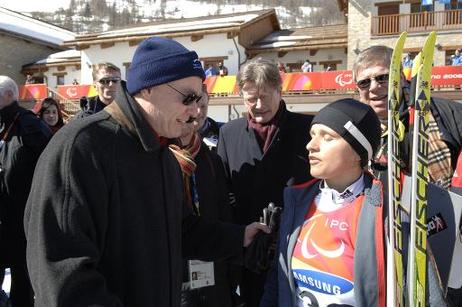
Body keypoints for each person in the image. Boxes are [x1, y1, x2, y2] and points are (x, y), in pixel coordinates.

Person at [24, 37, 268, 307]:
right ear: (148, 88)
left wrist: (239, 236)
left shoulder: (162, 150)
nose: (196, 110)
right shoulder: (82, 148)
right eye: (188, 97)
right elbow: (62, 275)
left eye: (200, 98)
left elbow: (181, 229)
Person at [353, 45, 462, 305]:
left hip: (447, 238)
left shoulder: (441, 113)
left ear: (401, 76)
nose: (374, 87)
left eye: (382, 77)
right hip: (388, 246)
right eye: (364, 82)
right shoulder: (359, 132)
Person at [261, 98, 383, 306]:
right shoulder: (296, 201)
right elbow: (278, 279)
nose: (310, 146)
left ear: (358, 152)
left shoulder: (385, 211)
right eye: (312, 136)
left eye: (327, 137)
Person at [217, 58, 313, 306]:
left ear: (280, 91)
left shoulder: (307, 129)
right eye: (251, 98)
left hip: (298, 246)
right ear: (241, 97)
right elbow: (223, 192)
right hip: (249, 253)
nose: (258, 105)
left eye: (265, 96)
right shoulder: (228, 133)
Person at [171, 87, 236, 307]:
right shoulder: (156, 158)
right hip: (171, 268)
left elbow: (223, 214)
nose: (198, 112)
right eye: (192, 106)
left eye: (204, 106)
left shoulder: (211, 159)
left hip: (210, 266)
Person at [0, 75, 51, 307]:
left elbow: (51, 171)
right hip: (2, 217)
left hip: (23, 219)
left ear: (9, 96)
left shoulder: (31, 126)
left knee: (22, 278)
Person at [197, 84, 222, 150]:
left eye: (203, 106)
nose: (199, 112)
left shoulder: (225, 134)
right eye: (194, 106)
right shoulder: (171, 137)